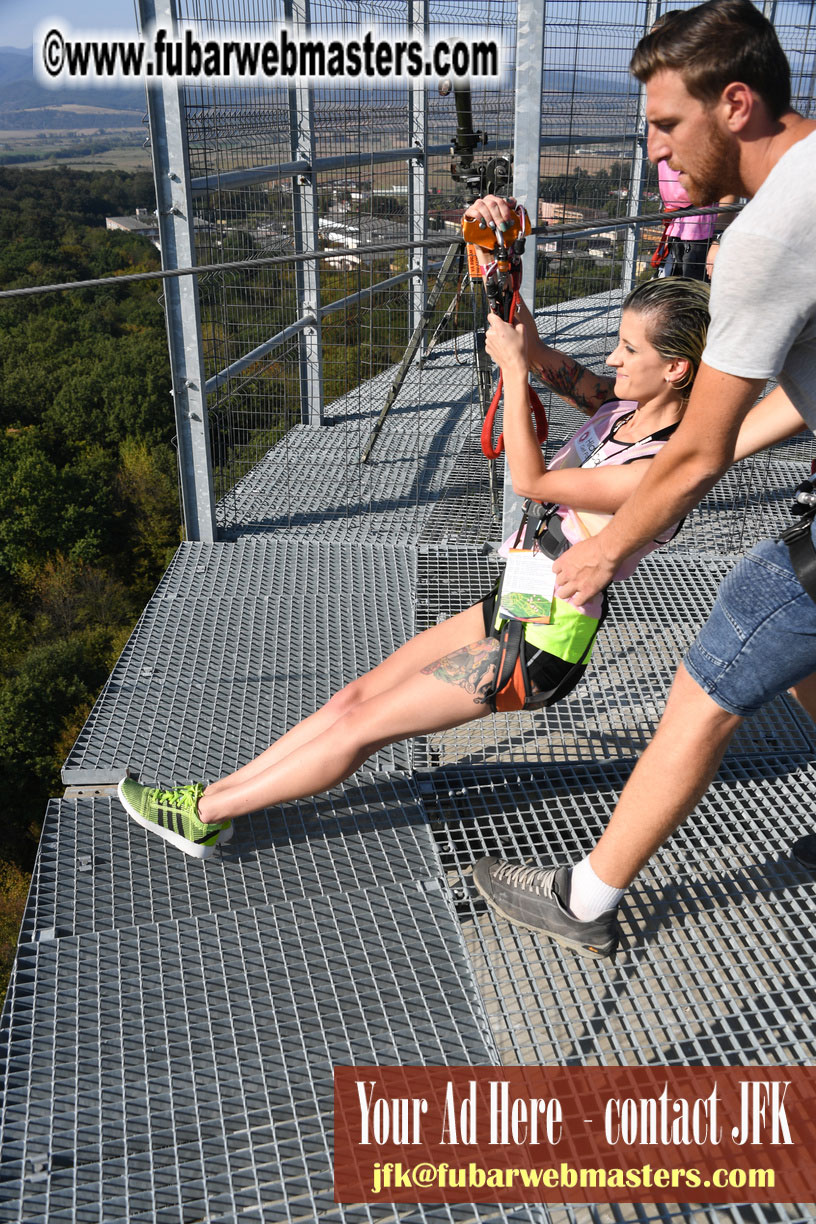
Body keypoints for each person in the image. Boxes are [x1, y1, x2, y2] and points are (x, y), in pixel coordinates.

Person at [118, 274, 715, 864]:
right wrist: (503, 262)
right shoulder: (618, 412)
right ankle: (210, 796)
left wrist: (511, 372)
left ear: (676, 369)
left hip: (539, 645)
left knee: (364, 728)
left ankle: (203, 816)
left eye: (630, 348)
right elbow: (532, 349)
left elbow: (531, 479)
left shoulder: (659, 470)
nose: (612, 357)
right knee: (351, 701)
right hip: (518, 602)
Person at [471, 0, 816, 960]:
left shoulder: (768, 237)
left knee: (710, 683)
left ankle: (584, 896)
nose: (655, 145)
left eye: (667, 122)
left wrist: (607, 554)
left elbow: (696, 454)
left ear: (736, 104)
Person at [650, 10, 737, 280]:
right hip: (679, 223)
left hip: (701, 226)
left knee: (690, 297)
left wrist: (718, 238)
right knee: (677, 292)